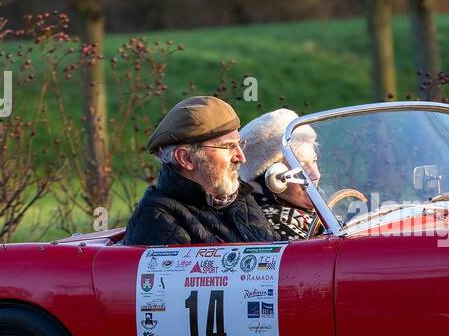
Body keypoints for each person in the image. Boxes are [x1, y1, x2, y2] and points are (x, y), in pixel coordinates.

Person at [123, 96, 276, 246]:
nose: (241, 157)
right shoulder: (158, 219)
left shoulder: (239, 199)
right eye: (228, 146)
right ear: (186, 158)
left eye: (239, 144)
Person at [238, 108, 321, 240]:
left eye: (314, 161)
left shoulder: (318, 211)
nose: (316, 175)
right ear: (272, 178)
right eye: (301, 165)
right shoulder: (272, 224)